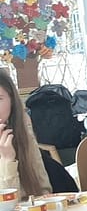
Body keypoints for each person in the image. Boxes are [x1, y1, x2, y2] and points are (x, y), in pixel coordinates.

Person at [0, 70, 50, 198]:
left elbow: (44, 190)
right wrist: (7, 161)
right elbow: (5, 205)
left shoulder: (22, 132)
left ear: (11, 101)